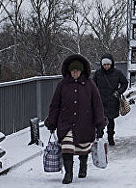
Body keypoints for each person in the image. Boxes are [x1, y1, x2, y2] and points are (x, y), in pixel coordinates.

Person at [45, 54, 107, 184]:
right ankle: (68, 173)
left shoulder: (90, 85)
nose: (75, 73)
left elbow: (97, 104)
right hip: (66, 123)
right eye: (73, 71)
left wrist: (100, 123)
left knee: (83, 147)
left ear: (81, 71)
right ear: (69, 71)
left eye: (77, 71)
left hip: (85, 123)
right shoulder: (62, 85)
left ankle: (83, 166)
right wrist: (52, 122)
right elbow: (55, 105)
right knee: (66, 148)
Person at [93, 53, 128, 146]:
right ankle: (99, 136)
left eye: (108, 64)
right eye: (104, 65)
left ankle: (110, 137)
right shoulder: (98, 74)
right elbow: (93, 86)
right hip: (100, 100)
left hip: (112, 100)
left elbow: (125, 83)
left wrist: (118, 92)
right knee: (100, 119)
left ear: (111, 64)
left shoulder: (117, 73)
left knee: (110, 120)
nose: (106, 66)